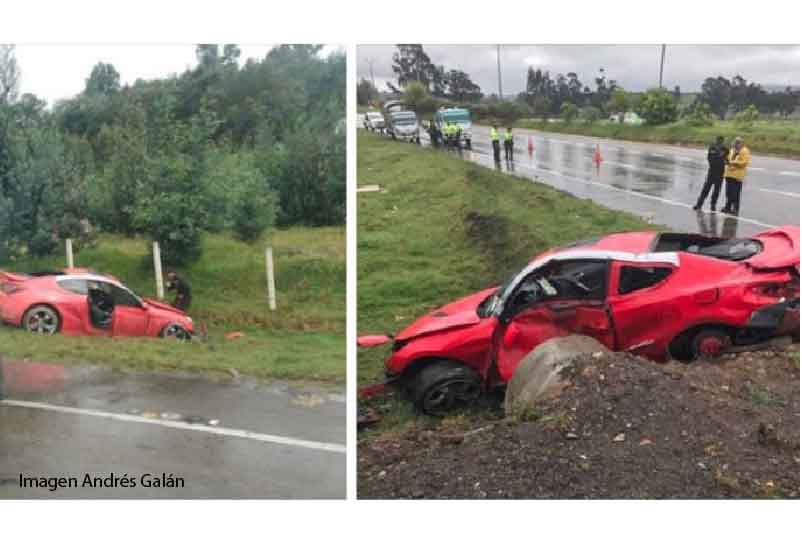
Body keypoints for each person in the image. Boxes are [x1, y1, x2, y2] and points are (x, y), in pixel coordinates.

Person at [693, 135, 727, 211]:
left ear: (722, 141)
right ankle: (699, 204)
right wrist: (715, 161)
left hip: (720, 172)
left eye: (720, 141)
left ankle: (713, 205)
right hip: (712, 171)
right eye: (717, 140)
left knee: (716, 190)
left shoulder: (725, 149)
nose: (718, 142)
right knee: (706, 189)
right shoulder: (712, 147)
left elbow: (727, 159)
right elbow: (709, 158)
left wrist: (723, 161)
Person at [722, 137, 751, 215]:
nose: (736, 144)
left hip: (737, 175)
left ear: (741, 143)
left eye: (738, 142)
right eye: (735, 142)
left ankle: (735, 209)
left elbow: (744, 162)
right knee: (728, 192)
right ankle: (727, 207)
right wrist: (726, 160)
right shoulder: (732, 150)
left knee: (735, 193)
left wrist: (733, 162)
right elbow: (728, 158)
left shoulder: (744, 151)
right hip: (729, 174)